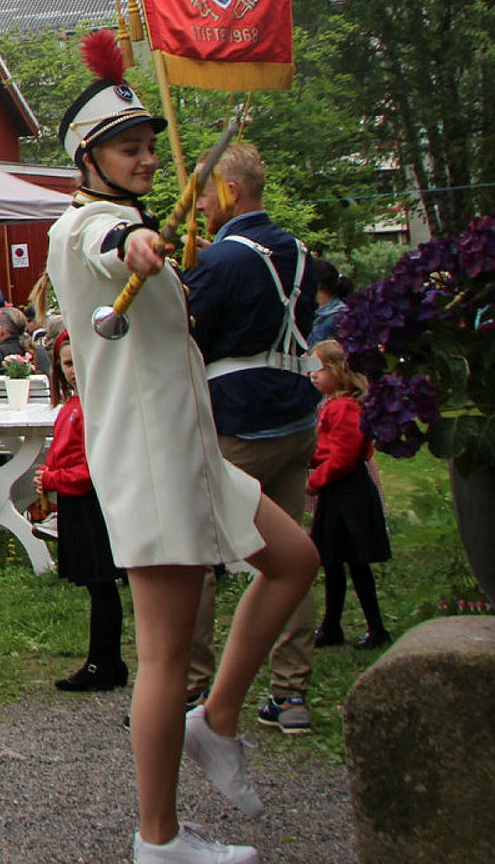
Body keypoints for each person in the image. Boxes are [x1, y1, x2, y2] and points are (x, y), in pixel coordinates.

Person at [46, 33, 317, 864]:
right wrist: (132, 243)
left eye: (150, 145)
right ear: (88, 155)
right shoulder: (87, 227)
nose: (147, 157)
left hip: (191, 450)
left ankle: (221, 716)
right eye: (128, 147)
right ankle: (157, 837)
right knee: (164, 652)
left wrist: (149, 243)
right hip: (154, 464)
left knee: (296, 557)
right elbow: (104, 248)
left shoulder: (133, 223)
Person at [181, 141, 324, 736]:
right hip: (297, 414)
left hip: (240, 417)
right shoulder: (300, 254)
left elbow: (191, 335)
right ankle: (290, 692)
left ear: (231, 191)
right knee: (289, 551)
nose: (200, 207)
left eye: (205, 194)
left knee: (199, 555)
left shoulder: (220, 262)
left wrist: (194, 275)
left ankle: (191, 687)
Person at [37, 329, 126, 692]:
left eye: (79, 362)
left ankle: (104, 663)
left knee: (102, 585)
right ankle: (104, 660)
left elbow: (95, 466)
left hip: (90, 502)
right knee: (97, 587)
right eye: (68, 363)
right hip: (74, 500)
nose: (74, 370)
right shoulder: (73, 404)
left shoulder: (95, 405)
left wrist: (54, 479)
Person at [306, 340, 392, 651]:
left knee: (353, 561)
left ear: (337, 370)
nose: (313, 376)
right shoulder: (335, 405)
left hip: (347, 491)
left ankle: (375, 627)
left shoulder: (343, 408)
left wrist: (316, 479)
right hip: (339, 491)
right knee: (333, 560)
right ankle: (332, 625)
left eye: (318, 370)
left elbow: (342, 456)